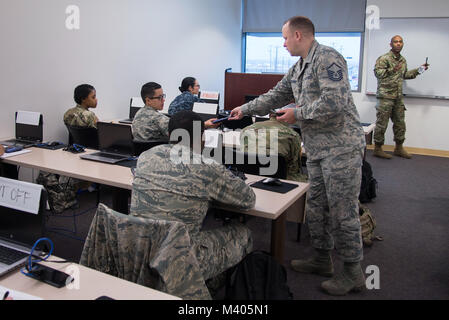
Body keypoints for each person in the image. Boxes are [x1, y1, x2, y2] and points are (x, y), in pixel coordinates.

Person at [229, 16, 366, 296]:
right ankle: (321, 259)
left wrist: (297, 114)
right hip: (317, 149)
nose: (283, 43)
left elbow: (335, 103)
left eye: (285, 37)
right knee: (316, 208)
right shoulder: (299, 67)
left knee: (342, 211)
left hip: (342, 148)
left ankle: (353, 272)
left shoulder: (328, 59)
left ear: (299, 35)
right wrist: (244, 110)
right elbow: (277, 94)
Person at [130, 110, 255, 284]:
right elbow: (248, 200)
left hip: (138, 248)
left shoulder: (145, 157)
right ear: (201, 137)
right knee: (243, 233)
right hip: (179, 258)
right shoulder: (206, 165)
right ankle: (209, 286)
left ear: (168, 134)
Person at [373, 35, 429, 159]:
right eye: (395, 42)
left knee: (400, 124)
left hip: (398, 97)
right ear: (391, 44)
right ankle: (378, 148)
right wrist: (393, 69)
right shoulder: (384, 58)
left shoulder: (402, 60)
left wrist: (420, 70)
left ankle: (399, 148)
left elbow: (405, 75)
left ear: (402, 44)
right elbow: (378, 73)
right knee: (382, 124)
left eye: (400, 42)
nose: (398, 44)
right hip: (385, 97)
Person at [132, 82, 219, 143]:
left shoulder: (138, 114)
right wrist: (205, 125)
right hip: (164, 157)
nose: (163, 100)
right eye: (160, 97)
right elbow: (183, 132)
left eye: (163, 96)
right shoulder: (158, 118)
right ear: (148, 100)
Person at [239, 111, 307, 182]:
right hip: (282, 180)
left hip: (250, 177)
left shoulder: (246, 130)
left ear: (270, 115)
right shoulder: (293, 135)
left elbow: (244, 152)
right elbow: (295, 166)